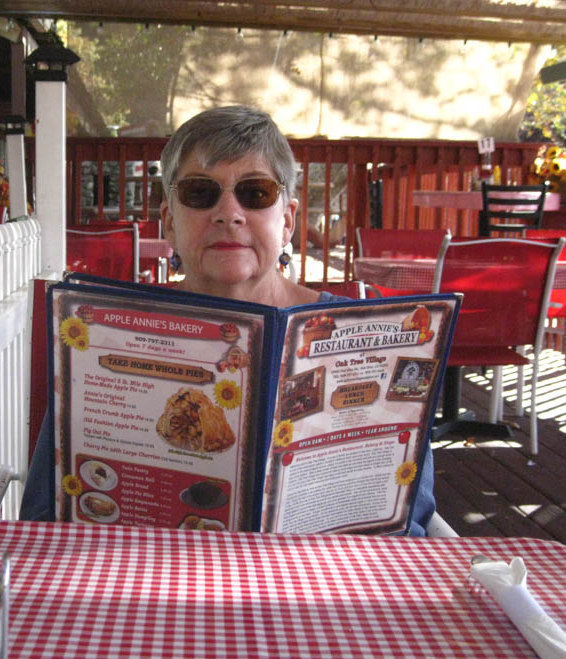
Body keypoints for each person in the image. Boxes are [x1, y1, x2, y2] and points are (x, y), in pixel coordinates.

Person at [22, 105, 436, 535]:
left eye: (255, 193)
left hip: (317, 582)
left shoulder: (375, 341)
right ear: (169, 223)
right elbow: (44, 514)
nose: (229, 213)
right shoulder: (107, 334)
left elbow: (409, 525)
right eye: (200, 193)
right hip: (146, 576)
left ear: (288, 220)